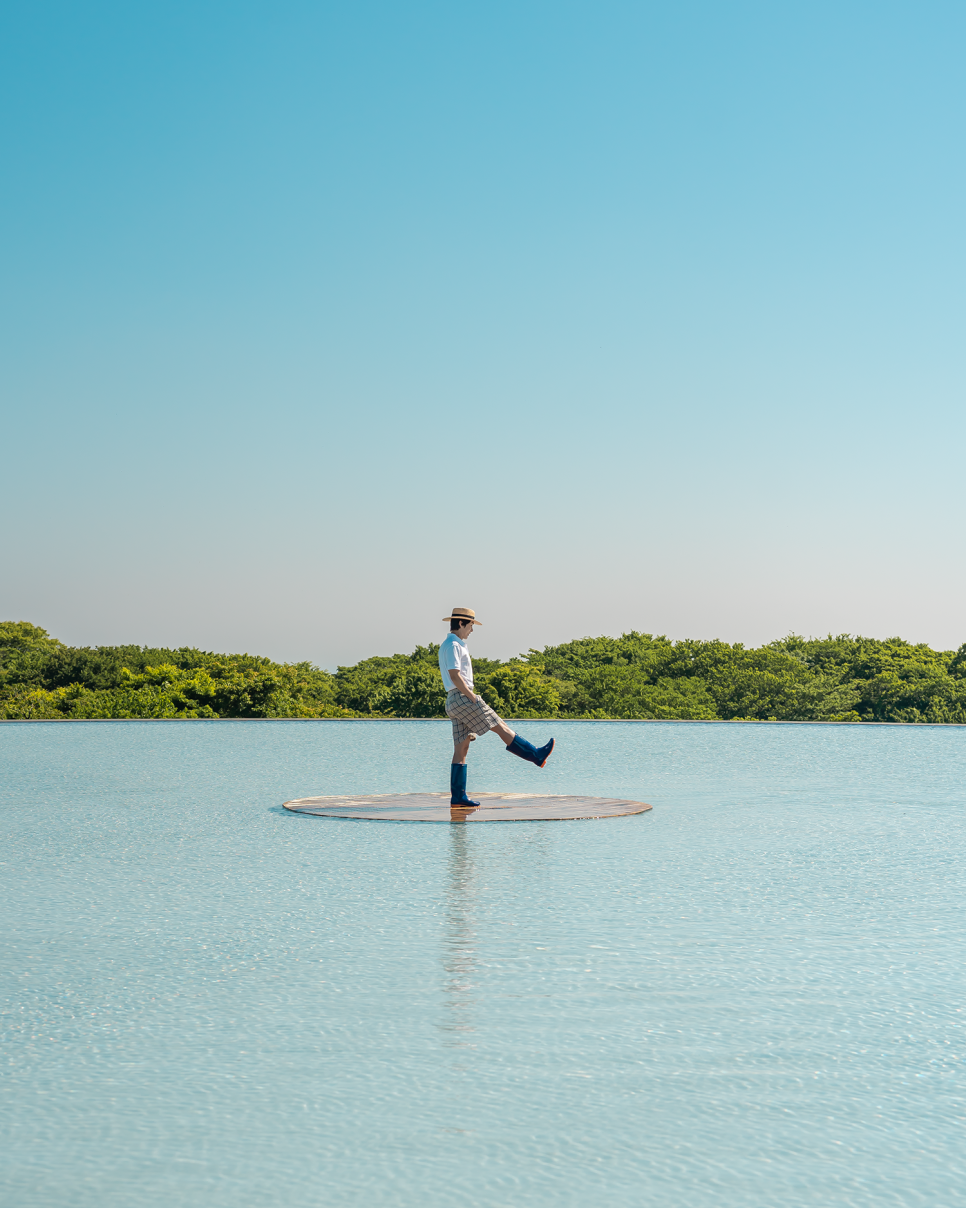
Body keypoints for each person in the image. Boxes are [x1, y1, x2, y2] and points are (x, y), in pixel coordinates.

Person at [439, 607, 555, 807]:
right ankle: (536, 755)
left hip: (452, 700)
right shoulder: (455, 645)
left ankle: (458, 797)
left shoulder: (448, 644)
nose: (472, 630)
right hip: (463, 697)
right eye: (471, 625)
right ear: (460, 623)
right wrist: (472, 696)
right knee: (499, 725)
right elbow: (455, 675)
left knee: (461, 747)